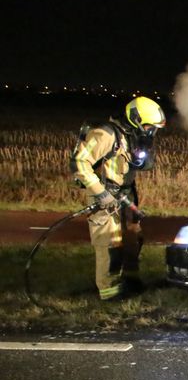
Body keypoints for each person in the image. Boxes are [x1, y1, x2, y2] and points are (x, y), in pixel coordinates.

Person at [70, 96, 165, 300]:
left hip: (125, 194)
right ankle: (109, 291)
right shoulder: (105, 134)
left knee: (133, 239)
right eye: (149, 127)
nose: (151, 132)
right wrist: (100, 192)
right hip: (105, 196)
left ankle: (130, 280)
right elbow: (79, 163)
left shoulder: (131, 136)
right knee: (109, 244)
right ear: (136, 119)